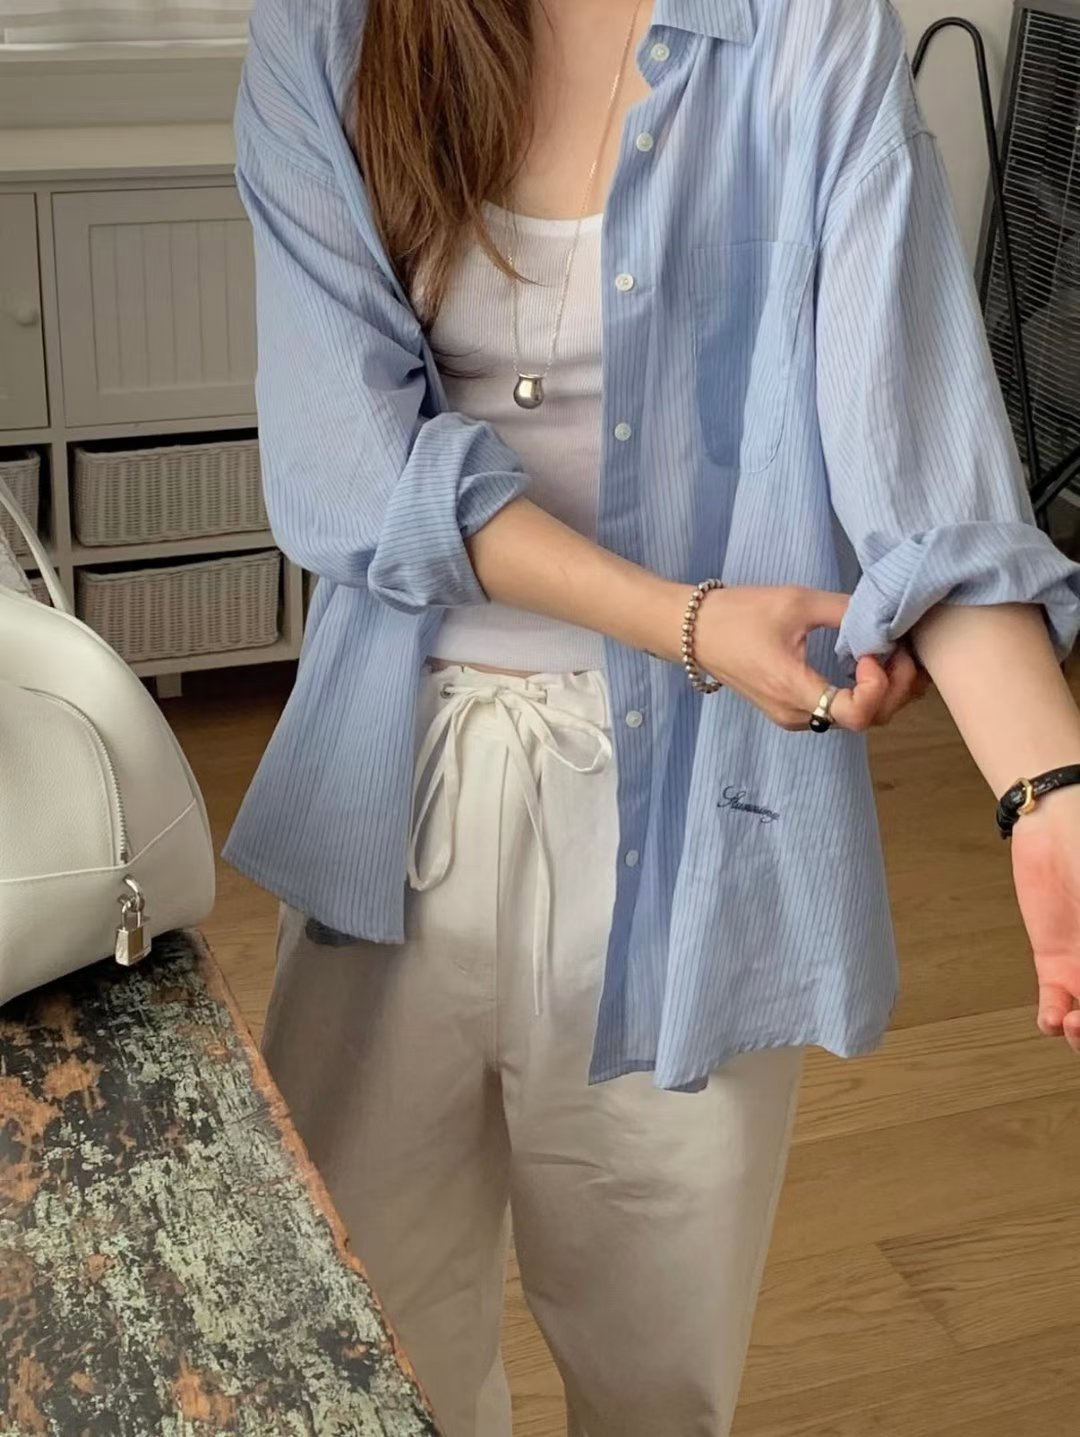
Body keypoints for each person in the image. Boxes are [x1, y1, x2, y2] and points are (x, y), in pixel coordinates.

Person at [225, 0, 1080, 1432]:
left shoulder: (810, 38)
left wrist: (1050, 793)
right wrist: (691, 620)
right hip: (397, 787)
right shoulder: (331, 33)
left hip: (702, 815)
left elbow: (929, 482)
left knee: (658, 1365)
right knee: (361, 1349)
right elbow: (347, 467)